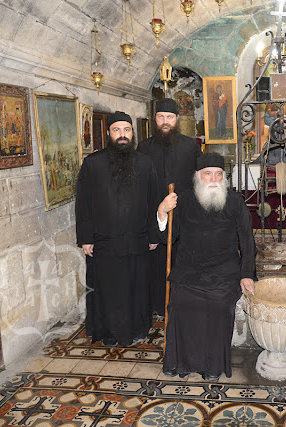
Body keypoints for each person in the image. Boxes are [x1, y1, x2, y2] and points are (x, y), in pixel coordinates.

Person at [157, 153, 256, 381]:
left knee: (218, 305)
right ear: (198, 176)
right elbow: (167, 239)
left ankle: (212, 366)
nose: (213, 179)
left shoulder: (235, 201)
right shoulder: (184, 200)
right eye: (208, 173)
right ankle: (179, 362)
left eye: (218, 174)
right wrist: (162, 211)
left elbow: (247, 240)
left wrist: (246, 274)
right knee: (179, 303)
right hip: (189, 269)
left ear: (224, 177)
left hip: (224, 270)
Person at [76, 112, 160, 346]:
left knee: (137, 287)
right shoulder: (93, 164)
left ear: (132, 133)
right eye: (117, 130)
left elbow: (153, 201)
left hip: (137, 239)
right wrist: (86, 238)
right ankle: (110, 333)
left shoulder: (145, 163)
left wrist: (153, 234)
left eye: (127, 130)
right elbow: (83, 204)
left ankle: (138, 328)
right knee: (109, 289)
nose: (122, 135)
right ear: (108, 133)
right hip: (105, 241)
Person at [137, 98, 201, 316]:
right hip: (155, 219)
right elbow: (139, 190)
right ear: (155, 119)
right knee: (157, 268)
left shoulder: (191, 146)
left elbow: (199, 184)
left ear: (177, 119)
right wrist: (151, 225)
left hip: (185, 219)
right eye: (161, 117)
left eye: (170, 117)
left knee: (183, 266)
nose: (165, 121)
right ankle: (161, 308)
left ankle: (183, 309)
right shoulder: (144, 148)